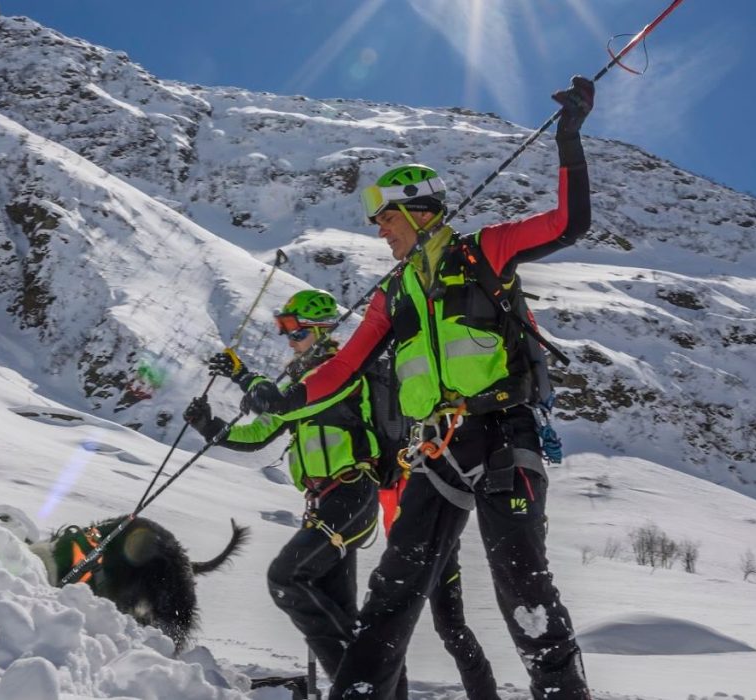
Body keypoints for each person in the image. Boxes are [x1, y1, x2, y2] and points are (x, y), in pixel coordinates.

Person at [239, 76, 596, 700]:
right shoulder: (392, 293)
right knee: (392, 594)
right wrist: (284, 400)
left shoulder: (484, 250)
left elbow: (569, 223)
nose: (380, 230)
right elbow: (342, 367)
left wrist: (568, 139)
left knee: (523, 588)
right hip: (436, 452)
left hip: (503, 435)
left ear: (419, 212)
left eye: (387, 218)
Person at [183, 289, 381, 685]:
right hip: (327, 501)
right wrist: (209, 427)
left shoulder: (338, 372)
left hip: (351, 493)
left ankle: (356, 685)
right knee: (340, 611)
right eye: (284, 331)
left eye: (296, 331)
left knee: (286, 578)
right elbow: (259, 434)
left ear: (323, 331)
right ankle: (367, 687)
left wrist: (240, 373)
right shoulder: (302, 382)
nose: (289, 340)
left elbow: (277, 405)